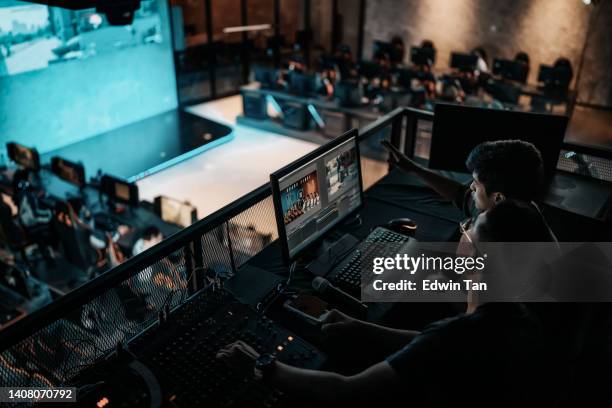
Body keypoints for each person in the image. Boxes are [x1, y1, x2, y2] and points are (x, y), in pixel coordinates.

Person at [216, 200, 557, 406]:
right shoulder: (518, 316)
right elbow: (434, 345)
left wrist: (262, 366)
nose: (464, 230)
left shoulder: (461, 333)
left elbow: (346, 392)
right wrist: (360, 328)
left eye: (471, 228)